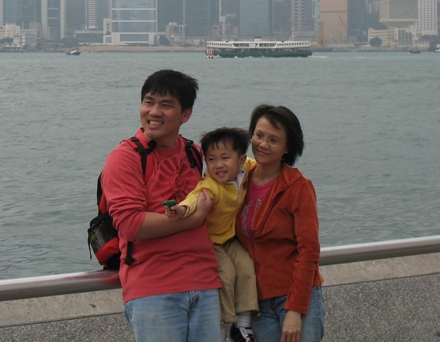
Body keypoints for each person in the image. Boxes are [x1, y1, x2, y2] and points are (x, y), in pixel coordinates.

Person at [102, 69, 222, 342]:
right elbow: (131, 225)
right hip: (153, 288)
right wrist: (192, 219)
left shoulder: (195, 153)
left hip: (205, 282)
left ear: (186, 115)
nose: (154, 112)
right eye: (148, 102)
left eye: (166, 105)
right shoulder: (125, 158)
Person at [236, 105, 325, 342]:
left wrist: (295, 310)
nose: (263, 144)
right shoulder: (239, 180)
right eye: (259, 135)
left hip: (294, 297)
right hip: (257, 303)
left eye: (273, 140)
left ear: (287, 148)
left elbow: (309, 251)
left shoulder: (298, 187)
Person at [166, 127, 259, 342]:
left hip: (230, 238)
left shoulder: (247, 168)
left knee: (246, 269)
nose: (218, 165)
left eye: (225, 158)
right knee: (226, 276)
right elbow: (192, 198)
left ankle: (244, 326)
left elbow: (263, 166)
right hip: (211, 242)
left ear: (241, 159)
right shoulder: (210, 185)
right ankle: (225, 328)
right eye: (211, 159)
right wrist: (179, 210)